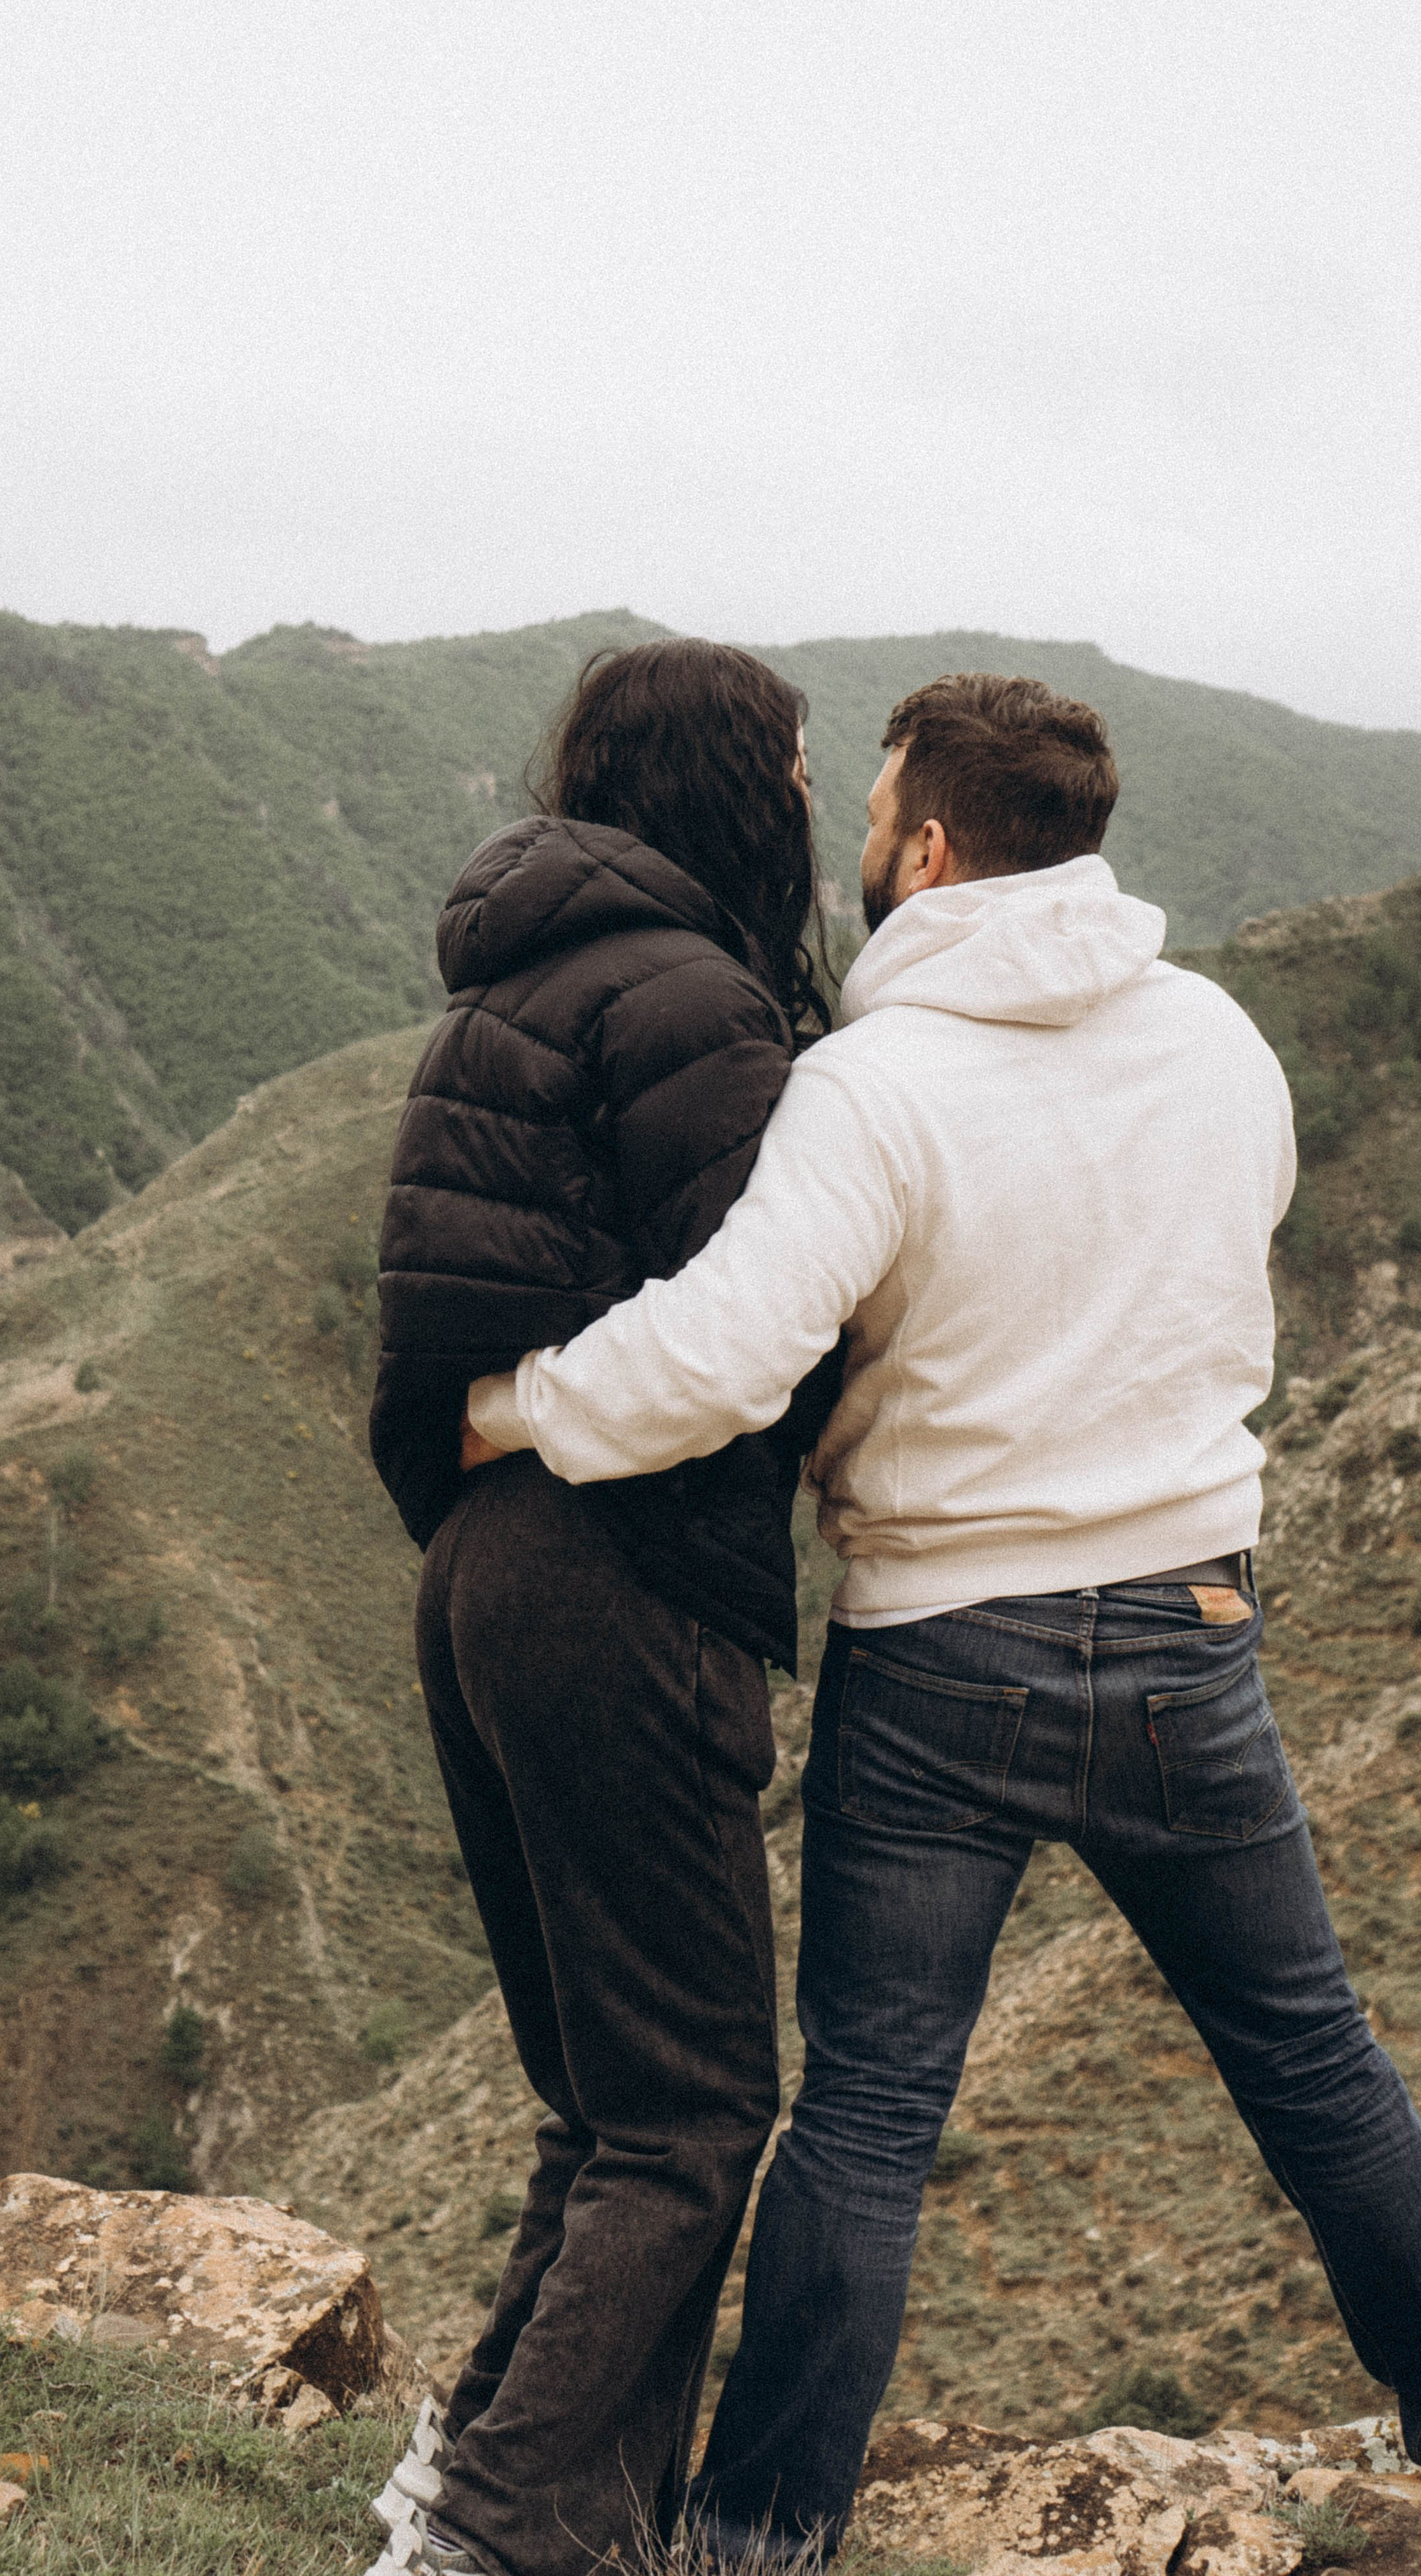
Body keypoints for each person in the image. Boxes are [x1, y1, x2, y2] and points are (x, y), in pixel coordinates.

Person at [463, 672, 1421, 2565]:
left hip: (944, 1649)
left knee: (872, 2118)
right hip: (1186, 1630)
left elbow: (722, 1363)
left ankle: (757, 2541)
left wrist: (512, 1403)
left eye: (881, 810)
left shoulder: (873, 1088)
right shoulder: (1223, 1042)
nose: (863, 846)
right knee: (1317, 2069)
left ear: (932, 847)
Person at [367, 639, 842, 2576]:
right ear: (742, 782)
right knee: (697, 2109)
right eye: (799, 763)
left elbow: (436, 1329)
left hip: (484, 1561)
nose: (817, 800)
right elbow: (768, 1329)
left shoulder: (520, 988)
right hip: (618, 1570)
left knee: (607, 2099)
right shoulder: (695, 1004)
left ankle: (509, 2487)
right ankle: (490, 2535)